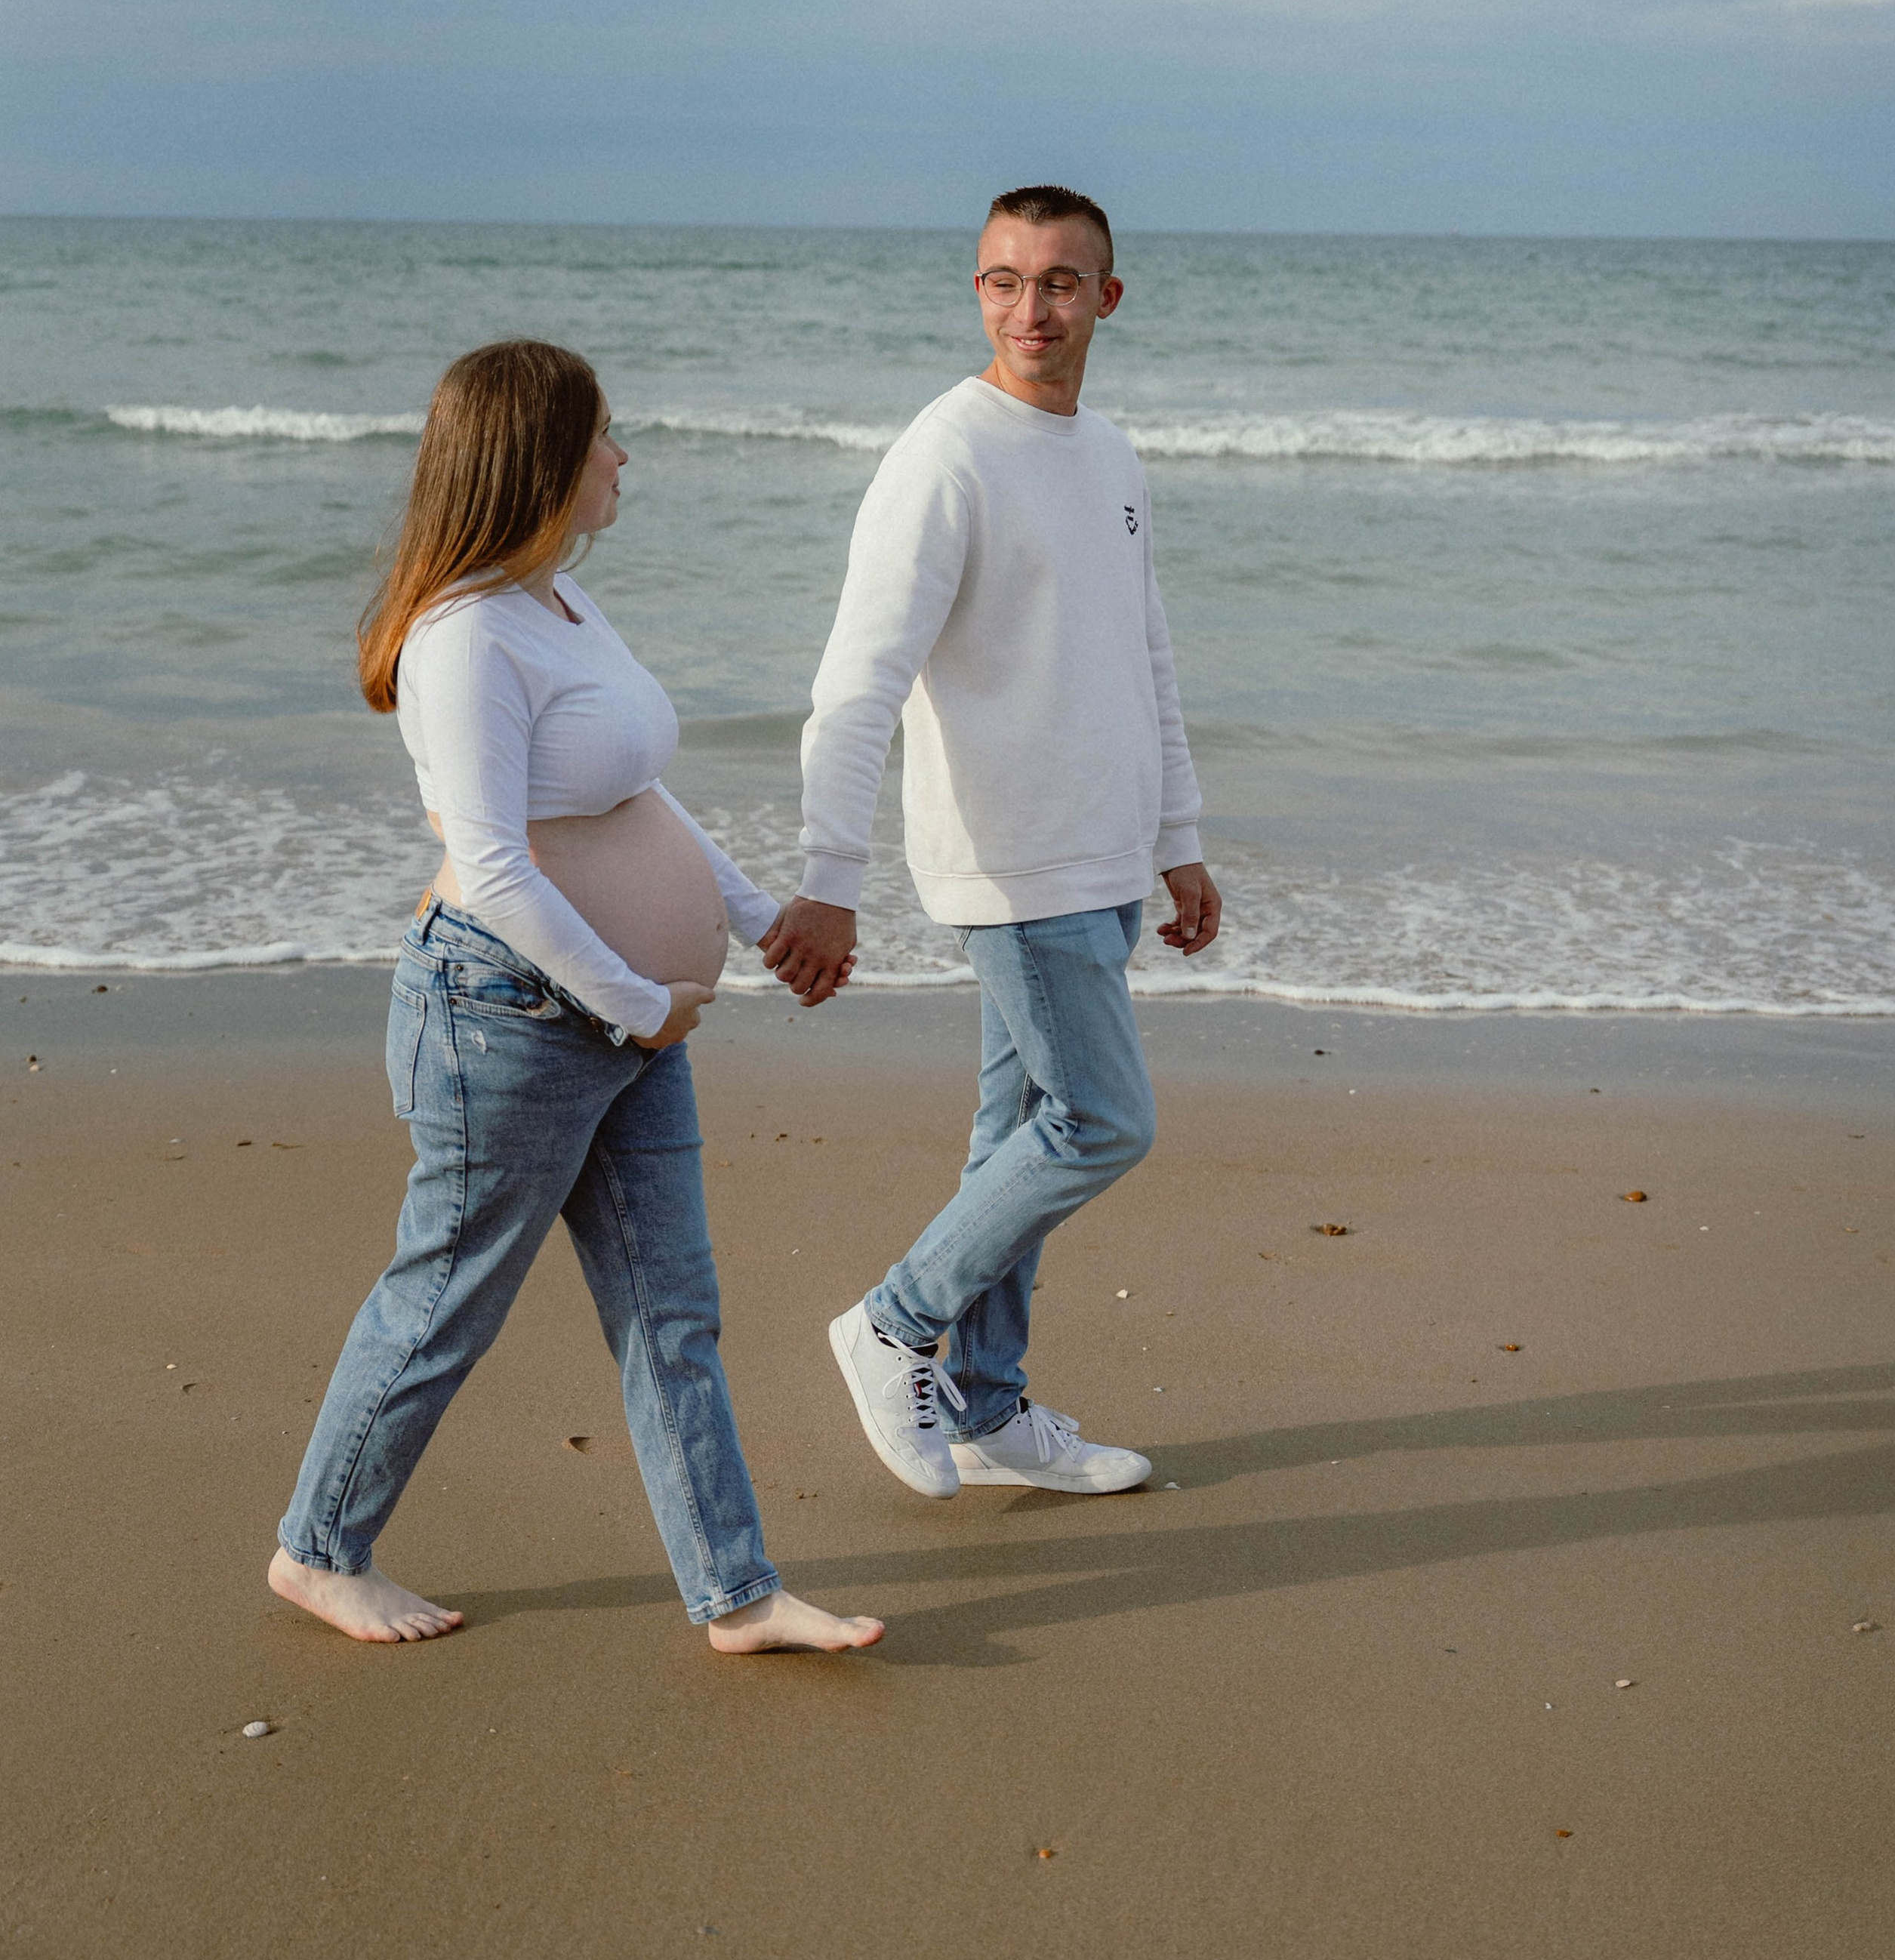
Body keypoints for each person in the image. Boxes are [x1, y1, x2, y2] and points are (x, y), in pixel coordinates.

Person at [270, 338, 882, 1653]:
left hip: (622, 1022)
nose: (622, 458)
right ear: (537, 459)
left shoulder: (555, 605)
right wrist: (632, 1000)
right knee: (444, 1300)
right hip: (507, 1020)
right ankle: (319, 1551)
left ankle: (741, 1594)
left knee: (674, 1312)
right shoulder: (463, 635)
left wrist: (758, 915)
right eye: (602, 437)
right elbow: (490, 865)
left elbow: (637, 795)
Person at [763, 188, 1222, 1496]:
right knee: (1102, 1119)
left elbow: (1146, 656)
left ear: (1107, 299)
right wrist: (828, 879)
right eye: (1006, 281)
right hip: (1013, 860)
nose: (1035, 308)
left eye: (1063, 282)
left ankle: (987, 1405)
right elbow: (857, 681)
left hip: (1105, 851)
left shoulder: (1114, 456)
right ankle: (896, 1320)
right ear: (978, 293)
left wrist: (1178, 834)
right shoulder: (944, 455)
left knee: (1016, 1136)